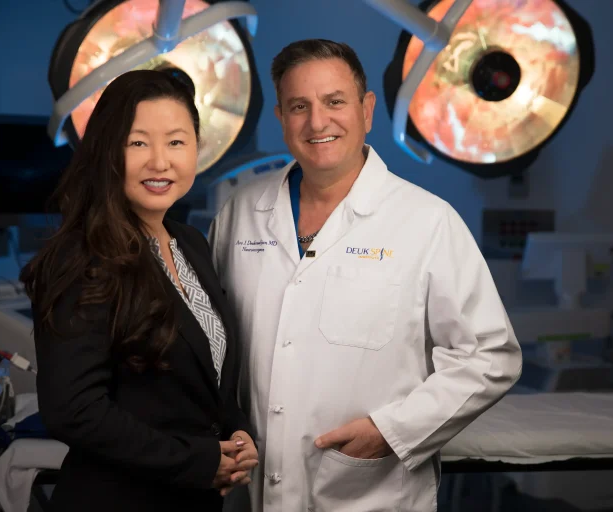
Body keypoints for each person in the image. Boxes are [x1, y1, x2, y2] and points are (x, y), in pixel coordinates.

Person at [209, 40, 522, 512]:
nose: (317, 122)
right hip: (249, 490)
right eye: (300, 107)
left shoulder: (426, 221)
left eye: (334, 102)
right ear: (280, 117)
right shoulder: (239, 215)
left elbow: (490, 356)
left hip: (369, 493)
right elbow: (210, 341)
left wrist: (392, 431)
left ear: (367, 109)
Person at [20, 69, 258, 511]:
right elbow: (74, 410)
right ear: (108, 152)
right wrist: (198, 460)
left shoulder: (189, 244)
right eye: (138, 143)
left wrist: (237, 430)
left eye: (176, 141)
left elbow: (204, 377)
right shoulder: (83, 257)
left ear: (197, 148)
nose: (160, 161)